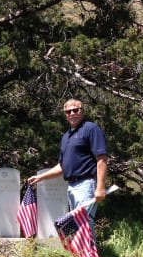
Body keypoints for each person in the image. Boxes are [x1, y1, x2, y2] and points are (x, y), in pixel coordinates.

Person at [27, 98, 108, 229]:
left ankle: (89, 251)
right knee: (77, 228)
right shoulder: (66, 136)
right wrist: (40, 177)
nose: (72, 113)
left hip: (86, 185)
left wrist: (100, 187)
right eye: (68, 111)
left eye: (75, 110)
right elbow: (62, 166)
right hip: (71, 187)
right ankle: (80, 251)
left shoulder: (91, 129)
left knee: (84, 226)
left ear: (82, 111)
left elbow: (101, 159)